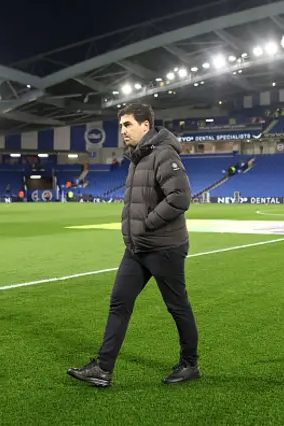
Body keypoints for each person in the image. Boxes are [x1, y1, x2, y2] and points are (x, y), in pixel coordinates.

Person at [67, 103, 201, 387]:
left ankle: (190, 364)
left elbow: (180, 197)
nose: (123, 131)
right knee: (119, 303)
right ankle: (103, 369)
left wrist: (148, 223)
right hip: (138, 248)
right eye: (121, 126)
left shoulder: (164, 154)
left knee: (177, 306)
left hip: (164, 247)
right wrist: (137, 232)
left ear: (146, 126)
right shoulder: (139, 157)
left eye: (127, 125)